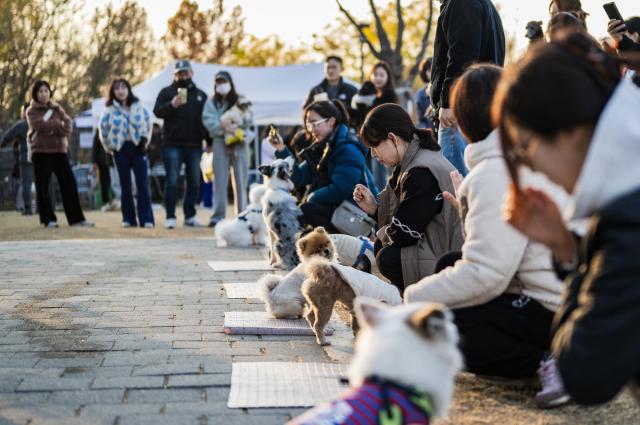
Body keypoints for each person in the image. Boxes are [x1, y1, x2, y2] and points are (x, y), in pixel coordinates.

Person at [404, 64, 572, 408]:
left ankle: (553, 357)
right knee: (449, 264)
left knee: (446, 328)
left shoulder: (495, 173)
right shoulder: (524, 155)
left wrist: (412, 298)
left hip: (551, 310)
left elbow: (488, 274)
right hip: (563, 297)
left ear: (464, 120)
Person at [494, 31, 640, 407]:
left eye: (525, 148)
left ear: (570, 131)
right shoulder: (625, 186)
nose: (532, 170)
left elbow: (583, 370)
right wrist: (565, 246)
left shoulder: (628, 217)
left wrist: (571, 256)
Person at [353, 104, 463, 292]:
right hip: (443, 249)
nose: (373, 154)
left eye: (374, 145)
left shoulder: (421, 171)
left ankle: (418, 300)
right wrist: (374, 209)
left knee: (387, 257)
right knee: (385, 247)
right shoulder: (418, 158)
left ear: (392, 138)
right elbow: (410, 219)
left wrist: (381, 234)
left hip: (448, 259)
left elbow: (405, 233)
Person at [269, 100, 377, 232]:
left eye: (315, 123)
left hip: (359, 217)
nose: (311, 129)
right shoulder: (321, 149)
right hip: (340, 212)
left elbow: (340, 190)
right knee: (301, 210)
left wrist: (312, 197)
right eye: (308, 125)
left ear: (331, 121)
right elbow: (299, 177)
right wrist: (281, 149)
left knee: (306, 210)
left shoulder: (348, 149)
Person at [430, 0, 505, 177]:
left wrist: (448, 101)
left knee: (457, 189)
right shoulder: (484, 5)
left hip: (461, 111)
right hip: (480, 109)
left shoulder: (461, 3)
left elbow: (462, 57)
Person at [26, 80, 93, 228]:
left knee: (69, 184)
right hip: (41, 152)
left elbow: (68, 123)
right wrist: (57, 125)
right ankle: (48, 219)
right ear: (35, 94)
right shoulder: (31, 111)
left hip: (60, 152)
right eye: (40, 91)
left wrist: (59, 129)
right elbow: (40, 126)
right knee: (43, 187)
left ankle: (76, 219)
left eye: (46, 91)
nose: (44, 94)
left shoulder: (57, 108)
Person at [153, 60, 208, 229]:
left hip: (194, 144)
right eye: (180, 73)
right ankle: (170, 216)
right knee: (172, 181)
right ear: (174, 75)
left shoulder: (201, 95)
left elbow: (205, 121)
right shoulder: (166, 92)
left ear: (191, 73)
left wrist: (210, 142)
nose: (183, 76)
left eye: (186, 72)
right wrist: (172, 105)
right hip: (172, 144)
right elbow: (157, 111)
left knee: (194, 182)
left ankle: (190, 216)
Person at [99, 78, 154, 228]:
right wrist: (110, 147)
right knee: (125, 185)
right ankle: (128, 218)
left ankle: (146, 218)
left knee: (142, 184)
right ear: (113, 92)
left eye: (123, 87)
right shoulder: (109, 111)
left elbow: (149, 125)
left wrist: (144, 142)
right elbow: (103, 130)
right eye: (117, 88)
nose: (121, 91)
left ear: (128, 89)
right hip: (120, 149)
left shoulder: (140, 107)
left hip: (138, 148)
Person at [202, 71, 255, 227]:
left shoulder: (241, 99)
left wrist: (235, 126)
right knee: (219, 178)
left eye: (224, 81)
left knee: (241, 178)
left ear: (230, 82)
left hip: (239, 139)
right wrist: (223, 127)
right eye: (218, 82)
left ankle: (242, 215)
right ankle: (218, 215)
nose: (221, 85)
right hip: (219, 141)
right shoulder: (211, 102)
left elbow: (249, 117)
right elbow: (208, 120)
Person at [351, 61, 400, 190]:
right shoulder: (365, 94)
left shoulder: (388, 94)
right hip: (365, 140)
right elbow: (358, 117)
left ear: (387, 77)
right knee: (368, 175)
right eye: (375, 74)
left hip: (381, 140)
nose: (378, 78)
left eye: (381, 75)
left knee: (379, 176)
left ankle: (383, 204)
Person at [1, 103, 33, 215]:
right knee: (42, 183)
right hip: (40, 155)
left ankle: (28, 208)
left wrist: (2, 144)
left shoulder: (22, 124)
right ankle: (44, 208)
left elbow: (8, 136)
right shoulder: (40, 123)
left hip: (26, 156)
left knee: (26, 183)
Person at [90, 129, 118, 212]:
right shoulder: (100, 129)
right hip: (102, 161)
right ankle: (106, 203)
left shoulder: (116, 126)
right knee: (104, 182)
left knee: (114, 181)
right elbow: (95, 146)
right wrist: (94, 161)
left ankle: (115, 201)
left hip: (115, 160)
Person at [415, 57, 434, 130]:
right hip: (429, 133)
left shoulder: (446, 89)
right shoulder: (421, 94)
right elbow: (421, 120)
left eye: (431, 69)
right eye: (427, 70)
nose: (428, 72)